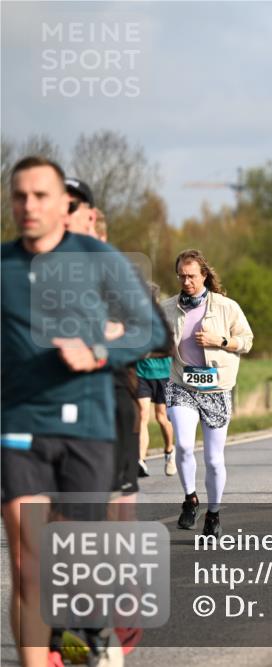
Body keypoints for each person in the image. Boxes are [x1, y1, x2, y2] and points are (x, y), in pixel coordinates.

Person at [2, 156, 167, 667]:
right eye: (19, 196)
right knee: (28, 565)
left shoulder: (99, 259)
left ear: (64, 205)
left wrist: (97, 351)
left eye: (41, 196)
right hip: (21, 427)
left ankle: (87, 630)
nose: (29, 206)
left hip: (89, 429)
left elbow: (152, 331)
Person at [164, 249, 253, 537]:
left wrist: (221, 340)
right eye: (181, 276)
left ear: (204, 275)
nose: (186, 281)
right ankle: (190, 499)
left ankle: (213, 514)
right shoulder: (167, 308)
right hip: (182, 384)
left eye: (191, 276)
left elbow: (247, 341)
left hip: (216, 388)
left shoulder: (227, 307)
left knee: (214, 459)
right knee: (184, 445)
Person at [137, 283, 177, 477]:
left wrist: (147, 353)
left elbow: (171, 349)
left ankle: (169, 451)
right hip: (141, 374)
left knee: (162, 417)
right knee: (142, 416)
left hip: (163, 374)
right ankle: (140, 460)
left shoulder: (164, 322)